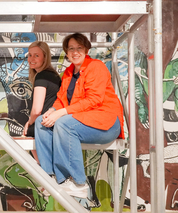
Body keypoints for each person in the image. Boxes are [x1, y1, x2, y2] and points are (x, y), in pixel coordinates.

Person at [34, 33, 124, 198]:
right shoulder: (68, 73)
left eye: (79, 48)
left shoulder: (96, 66)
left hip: (106, 123)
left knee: (63, 124)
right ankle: (50, 177)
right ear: (66, 52)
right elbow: (61, 100)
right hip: (81, 121)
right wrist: (53, 111)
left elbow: (94, 100)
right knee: (41, 121)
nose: (75, 52)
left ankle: (77, 182)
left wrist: (61, 113)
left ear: (87, 49)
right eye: (71, 49)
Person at [23, 41, 61, 137]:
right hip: (52, 125)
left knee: (28, 133)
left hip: (43, 126)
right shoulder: (53, 75)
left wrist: (29, 122)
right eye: (30, 55)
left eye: (36, 56)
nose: (31, 59)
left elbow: (37, 110)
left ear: (45, 57)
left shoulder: (42, 76)